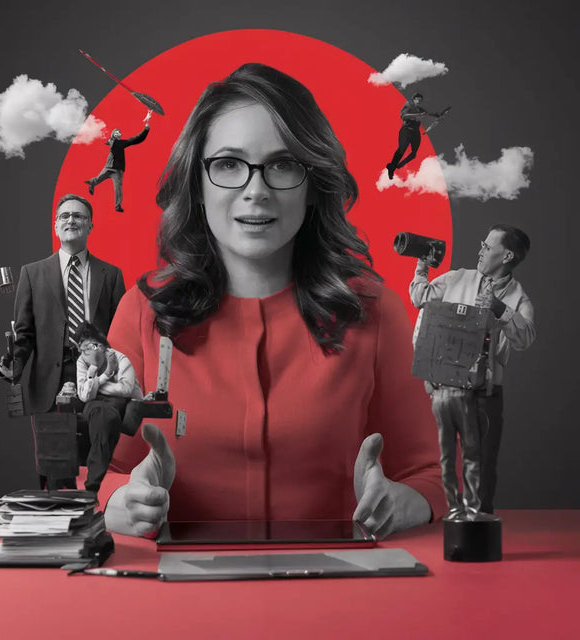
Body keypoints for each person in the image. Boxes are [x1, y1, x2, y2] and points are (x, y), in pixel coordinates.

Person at [100, 63, 446, 539]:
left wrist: (404, 502)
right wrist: (120, 501)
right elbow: (100, 473)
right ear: (196, 184)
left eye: (283, 165)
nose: (256, 191)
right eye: (228, 164)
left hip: (343, 593)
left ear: (312, 185)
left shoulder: (377, 312)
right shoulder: (142, 312)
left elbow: (430, 473)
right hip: (175, 597)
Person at [0, 194, 126, 486]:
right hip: (50, 386)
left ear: (91, 225)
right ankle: (60, 528)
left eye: (79, 216)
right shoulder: (32, 273)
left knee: (100, 473)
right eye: (64, 216)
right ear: (55, 226)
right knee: (57, 475)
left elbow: (121, 334)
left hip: (99, 383)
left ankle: (95, 525)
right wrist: (11, 364)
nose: (71, 220)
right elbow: (25, 334)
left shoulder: (112, 275)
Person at [410, 224, 535, 515]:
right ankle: (447, 521)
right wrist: (421, 267)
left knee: (480, 463)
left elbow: (526, 338)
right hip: (443, 388)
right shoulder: (457, 278)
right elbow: (421, 298)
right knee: (439, 460)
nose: (480, 250)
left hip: (484, 394)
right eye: (482, 243)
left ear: (507, 257)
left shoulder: (518, 298)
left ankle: (478, 528)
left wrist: (500, 309)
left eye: (488, 247)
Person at [74, 322, 142, 493]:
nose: (83, 354)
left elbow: (126, 389)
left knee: (106, 420)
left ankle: (93, 483)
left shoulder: (120, 359)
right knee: (101, 418)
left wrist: (95, 385)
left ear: (99, 345)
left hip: (115, 405)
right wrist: (105, 375)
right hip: (94, 406)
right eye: (81, 349)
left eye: (87, 348)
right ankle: (93, 482)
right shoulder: (82, 362)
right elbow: (84, 396)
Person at [84, 111, 152, 212]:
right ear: (113, 135)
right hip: (108, 166)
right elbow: (110, 142)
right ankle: (92, 183)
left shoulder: (121, 143)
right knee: (98, 178)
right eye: (116, 132)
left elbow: (136, 139)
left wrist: (146, 126)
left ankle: (117, 205)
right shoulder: (112, 142)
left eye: (119, 132)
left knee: (118, 188)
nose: (118, 133)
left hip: (117, 170)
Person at [386, 92, 447, 179]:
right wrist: (417, 115)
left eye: (420, 100)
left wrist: (438, 115)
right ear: (413, 99)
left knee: (413, 154)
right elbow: (403, 116)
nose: (419, 101)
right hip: (406, 131)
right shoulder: (408, 105)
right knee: (401, 150)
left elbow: (429, 114)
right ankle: (391, 169)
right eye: (417, 99)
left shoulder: (421, 109)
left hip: (416, 133)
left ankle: (396, 166)